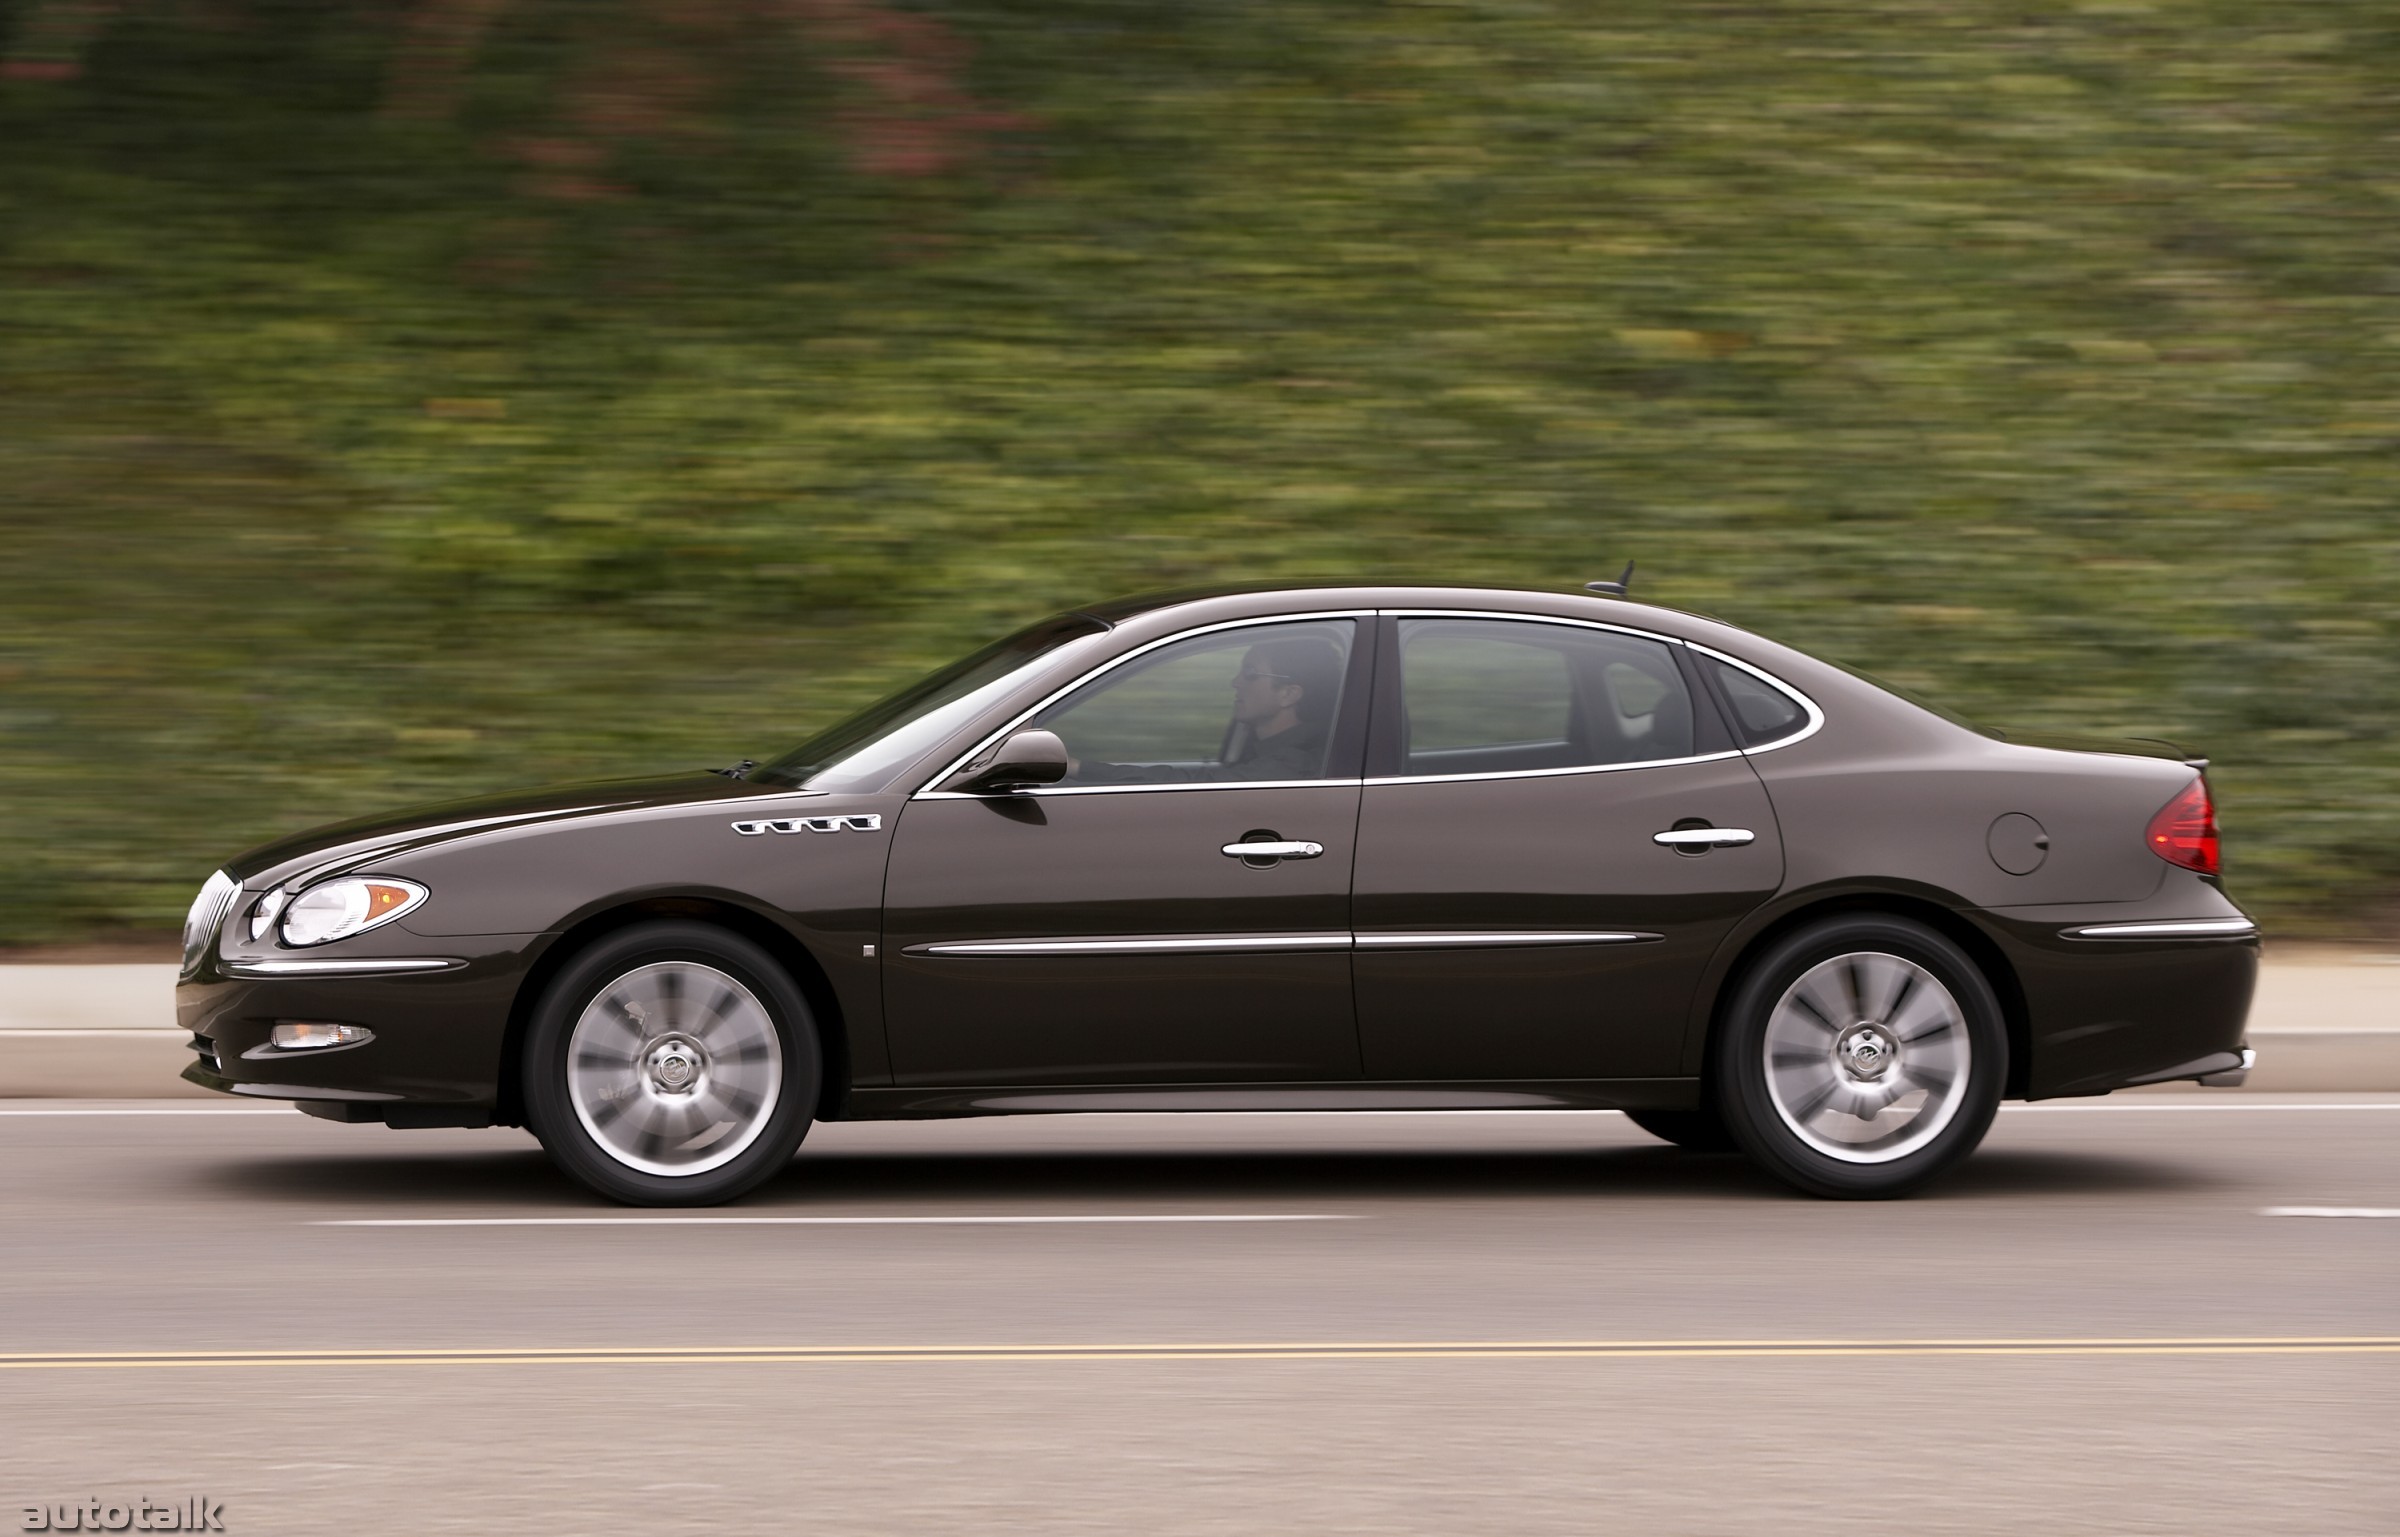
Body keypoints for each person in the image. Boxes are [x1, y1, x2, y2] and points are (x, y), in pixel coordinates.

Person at [1062, 634, 1345, 784]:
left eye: (1250, 672)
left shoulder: (1291, 764)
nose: (1235, 682)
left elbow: (1192, 783)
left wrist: (1079, 768)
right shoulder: (1272, 753)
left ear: (1288, 694)